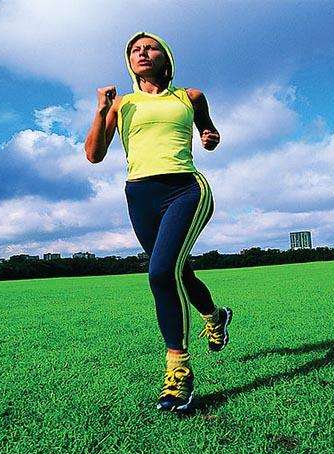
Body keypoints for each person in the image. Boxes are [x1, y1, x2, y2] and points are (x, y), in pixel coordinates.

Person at [84, 31, 232, 413]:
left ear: (165, 58)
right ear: (130, 62)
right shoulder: (123, 105)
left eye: (150, 47)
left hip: (185, 188)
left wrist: (210, 137)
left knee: (160, 273)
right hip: (139, 195)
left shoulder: (189, 97)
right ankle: (215, 317)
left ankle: (178, 372)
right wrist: (101, 111)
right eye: (135, 50)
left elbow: (208, 132)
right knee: (176, 273)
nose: (141, 53)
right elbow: (94, 155)